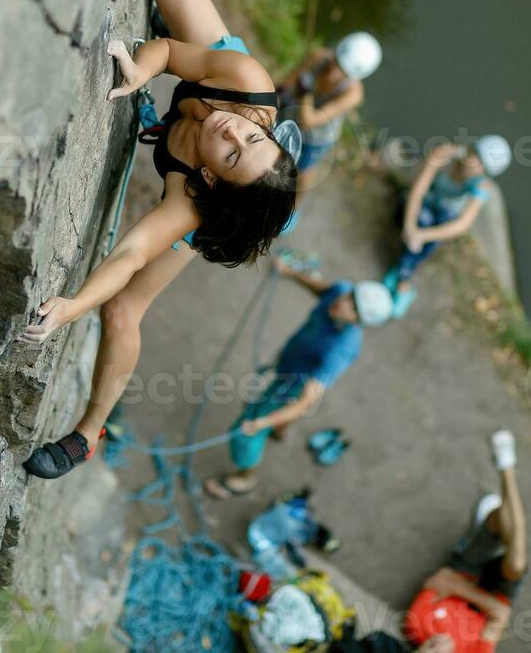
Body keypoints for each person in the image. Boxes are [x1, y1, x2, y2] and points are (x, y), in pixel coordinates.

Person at [21, 0, 299, 479]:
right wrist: (138, 69)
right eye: (253, 135)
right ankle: (268, 181)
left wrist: (73, 306)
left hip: (225, 210)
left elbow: (131, 251)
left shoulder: (194, 201)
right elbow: (169, 51)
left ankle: (89, 433)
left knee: (122, 310)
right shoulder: (243, 83)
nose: (233, 132)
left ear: (214, 177)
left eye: (236, 152)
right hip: (219, 80)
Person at [203, 257, 393, 498]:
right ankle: (280, 428)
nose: (344, 304)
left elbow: (304, 404)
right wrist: (289, 272)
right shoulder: (340, 291)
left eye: (353, 309)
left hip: (293, 384)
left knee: (245, 432)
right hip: (290, 360)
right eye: (350, 297)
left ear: (360, 322)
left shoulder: (339, 350)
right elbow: (321, 288)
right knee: (273, 414)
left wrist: (262, 423)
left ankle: (245, 477)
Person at [405, 430, 527, 653]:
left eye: (421, 651)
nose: (429, 646)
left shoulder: (416, 625)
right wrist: (460, 591)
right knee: (516, 563)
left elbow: (443, 578)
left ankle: (493, 525)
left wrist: (459, 588)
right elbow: (501, 615)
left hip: (465, 571)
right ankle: (506, 469)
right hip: (495, 591)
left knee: (501, 519)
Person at [385, 136, 512, 318]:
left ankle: (402, 275)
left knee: (429, 236)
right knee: (420, 222)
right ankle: (402, 280)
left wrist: (421, 235)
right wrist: (410, 226)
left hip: (444, 212)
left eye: (480, 162)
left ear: (485, 171)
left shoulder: (481, 185)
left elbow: (462, 224)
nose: (471, 160)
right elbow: (418, 189)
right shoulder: (443, 155)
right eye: (473, 152)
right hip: (425, 200)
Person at [277, 32, 382, 192]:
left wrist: (306, 91)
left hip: (315, 137)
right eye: (336, 62)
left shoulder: (353, 94)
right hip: (290, 113)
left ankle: (294, 207)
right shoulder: (318, 57)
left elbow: (309, 122)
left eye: (342, 71)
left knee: (301, 174)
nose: (333, 73)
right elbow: (284, 84)